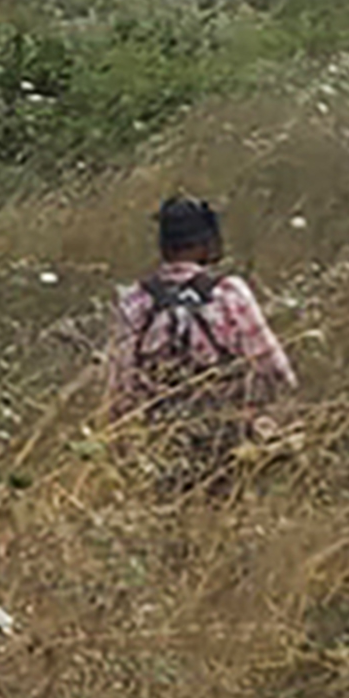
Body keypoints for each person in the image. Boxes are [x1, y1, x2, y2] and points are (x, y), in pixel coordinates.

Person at [106, 195, 296, 485]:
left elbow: (120, 387)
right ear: (207, 242)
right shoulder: (230, 293)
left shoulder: (134, 300)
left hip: (162, 439)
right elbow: (273, 367)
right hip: (228, 436)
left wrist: (121, 447)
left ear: (164, 246)